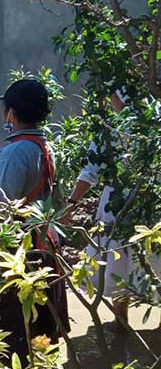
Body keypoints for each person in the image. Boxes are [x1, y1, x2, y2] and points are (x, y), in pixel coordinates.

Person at [0, 79, 69, 361]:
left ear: (11, 114)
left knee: (10, 346)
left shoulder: (15, 153)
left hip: (14, 258)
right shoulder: (42, 146)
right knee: (39, 340)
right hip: (40, 249)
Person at [68, 90, 161, 327]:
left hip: (117, 201)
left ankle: (121, 321)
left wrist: (71, 204)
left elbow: (90, 173)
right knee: (153, 256)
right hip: (152, 198)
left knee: (117, 258)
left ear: (121, 96)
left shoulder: (108, 130)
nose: (110, 100)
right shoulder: (154, 121)